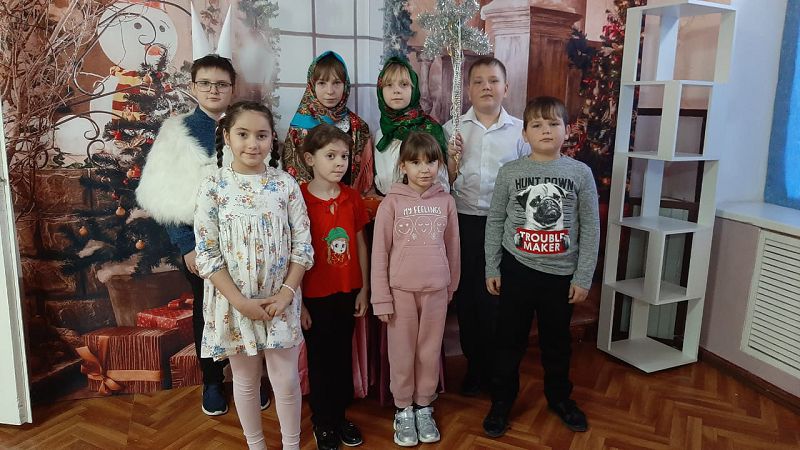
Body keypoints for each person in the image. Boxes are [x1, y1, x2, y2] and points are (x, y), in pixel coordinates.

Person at [137, 54, 269, 415]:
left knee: (247, 305)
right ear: (193, 87)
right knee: (207, 310)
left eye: (221, 84)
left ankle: (249, 379)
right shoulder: (177, 133)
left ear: (232, 88)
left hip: (246, 242)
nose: (214, 90)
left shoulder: (246, 126)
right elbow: (164, 196)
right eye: (206, 83)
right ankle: (211, 381)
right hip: (200, 244)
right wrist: (188, 247)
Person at [194, 101, 313, 449]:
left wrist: (287, 293)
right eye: (243, 134)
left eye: (261, 135)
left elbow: (303, 245)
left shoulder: (285, 184)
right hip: (234, 305)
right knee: (245, 382)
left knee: (286, 381)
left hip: (281, 302)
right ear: (227, 137)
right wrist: (240, 302)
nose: (252, 144)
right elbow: (207, 254)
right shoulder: (213, 186)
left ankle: (291, 444)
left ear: (272, 138)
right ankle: (256, 445)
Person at [481, 96, 600, 437]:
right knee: (509, 341)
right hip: (516, 270)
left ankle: (560, 398)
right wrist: (492, 267)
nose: (545, 130)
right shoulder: (510, 172)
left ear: (567, 130)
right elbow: (495, 221)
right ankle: (502, 401)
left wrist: (583, 276)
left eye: (553, 124)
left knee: (557, 343)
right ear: (525, 133)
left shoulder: (580, 173)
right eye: (537, 124)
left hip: (560, 276)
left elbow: (591, 227)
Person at [443, 56, 530, 396]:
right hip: (463, 223)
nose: (486, 87)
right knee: (468, 300)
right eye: (478, 81)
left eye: (493, 81)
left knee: (497, 298)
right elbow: (442, 182)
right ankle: (474, 367)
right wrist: (452, 160)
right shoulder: (453, 129)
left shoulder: (520, 132)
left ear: (505, 88)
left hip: (503, 225)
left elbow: (526, 183)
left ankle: (499, 371)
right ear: (468, 89)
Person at [371, 132, 460, 447]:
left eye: (431, 162)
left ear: (439, 165)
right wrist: (381, 299)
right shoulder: (391, 203)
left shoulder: (446, 202)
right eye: (416, 162)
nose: (425, 169)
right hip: (400, 294)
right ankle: (403, 408)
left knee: (428, 351)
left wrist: (451, 287)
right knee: (402, 353)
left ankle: (424, 405)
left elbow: (453, 247)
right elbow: (379, 253)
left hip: (436, 292)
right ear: (403, 166)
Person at [299, 124, 370, 450]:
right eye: (330, 155)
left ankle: (340, 417)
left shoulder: (351, 197)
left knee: (342, 355)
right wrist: (298, 302)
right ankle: (323, 421)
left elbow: (360, 243)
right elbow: (292, 252)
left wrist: (364, 289)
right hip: (313, 295)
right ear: (310, 158)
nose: (339, 162)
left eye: (344, 156)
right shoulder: (299, 198)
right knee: (319, 359)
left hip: (347, 291)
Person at [282, 51, 373, 195]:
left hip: (350, 203)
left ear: (345, 85)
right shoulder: (299, 127)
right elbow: (293, 177)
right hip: (309, 203)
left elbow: (364, 181)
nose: (330, 91)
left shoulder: (359, 126)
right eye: (322, 83)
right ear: (312, 85)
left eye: (336, 83)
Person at [374, 56, 449, 196]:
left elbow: (442, 183)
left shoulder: (431, 130)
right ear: (380, 90)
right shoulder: (380, 134)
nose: (396, 91)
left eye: (404, 84)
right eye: (389, 85)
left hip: (426, 205)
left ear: (414, 89)